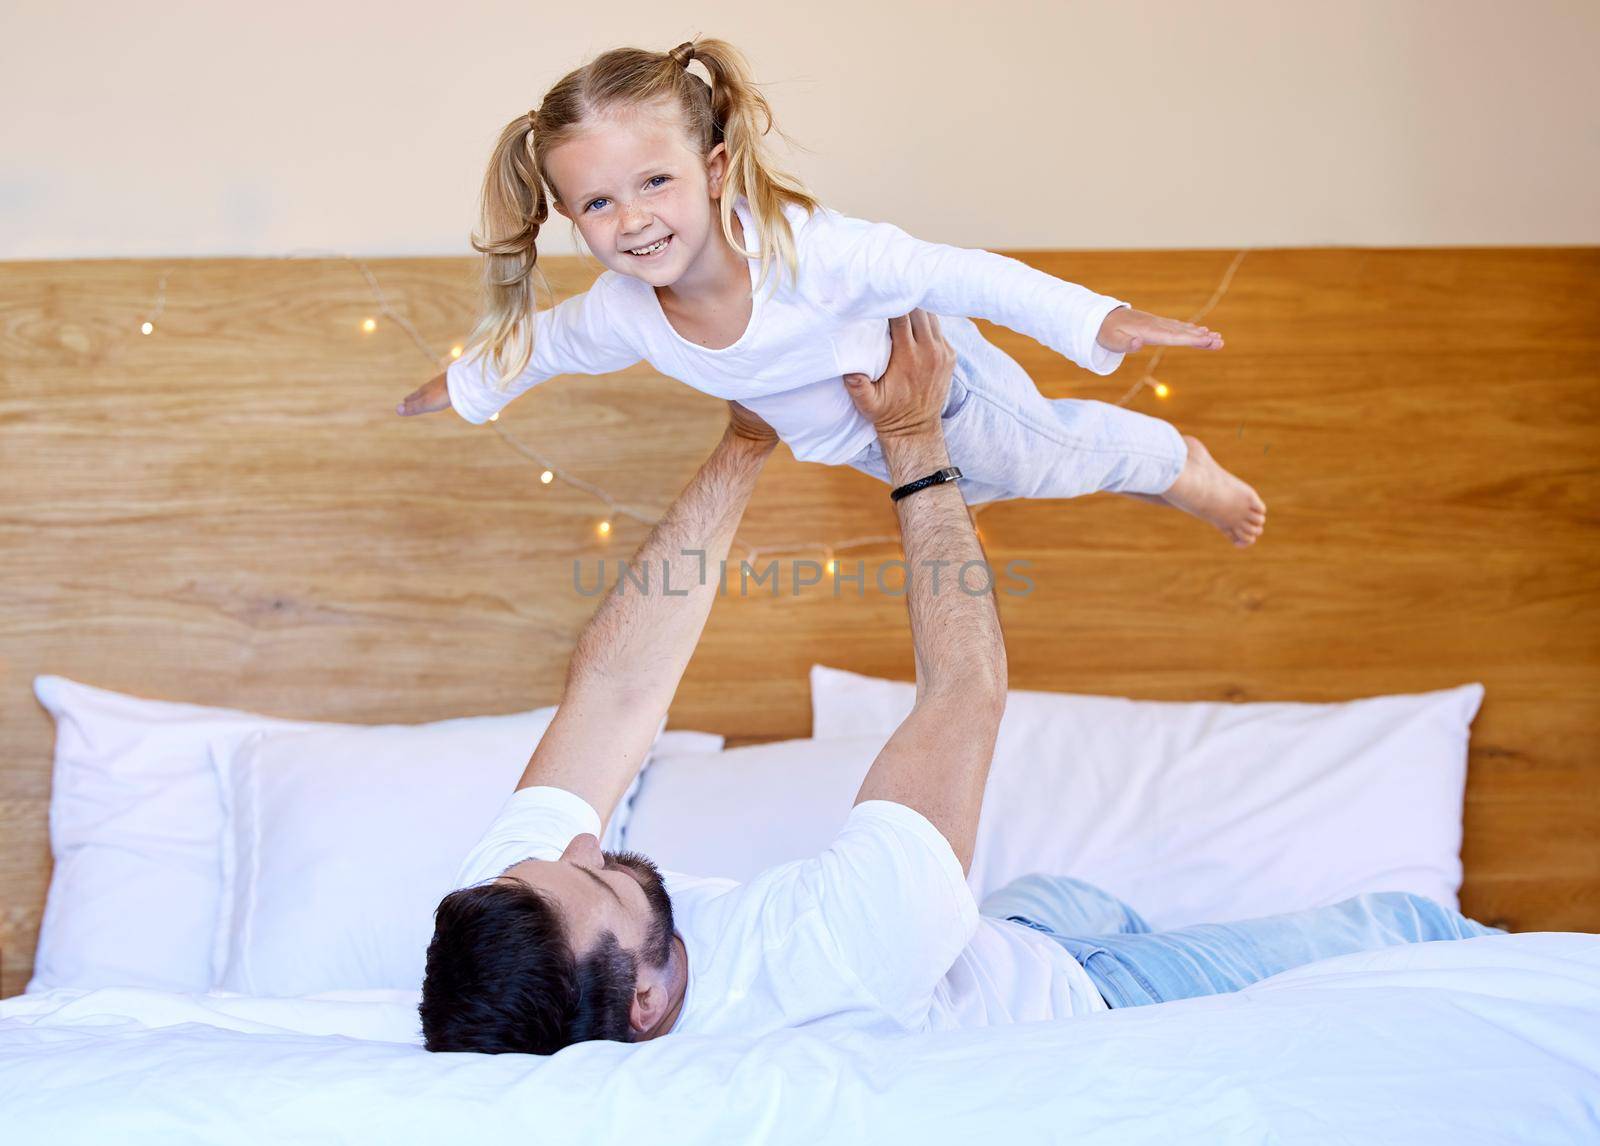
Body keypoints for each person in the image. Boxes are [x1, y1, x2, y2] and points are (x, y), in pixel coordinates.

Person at [418, 310, 1493, 1056]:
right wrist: (911, 439)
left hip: (1001, 928)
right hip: (1079, 991)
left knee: (1071, 906)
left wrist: (743, 444)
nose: (583, 846)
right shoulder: (834, 960)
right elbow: (961, 693)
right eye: (602, 883)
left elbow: (612, 695)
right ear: (644, 1003)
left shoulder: (514, 927)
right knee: (1396, 933)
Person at [396, 38, 1266, 548]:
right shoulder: (623, 311)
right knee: (1012, 489)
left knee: (1041, 457)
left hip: (951, 399)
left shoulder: (809, 253)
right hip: (867, 447)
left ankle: (1177, 461)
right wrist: (461, 386)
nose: (630, 221)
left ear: (713, 171)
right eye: (597, 203)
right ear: (568, 215)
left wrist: (1097, 317)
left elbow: (957, 273)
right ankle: (1137, 469)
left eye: (653, 182)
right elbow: (548, 345)